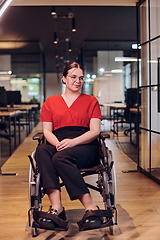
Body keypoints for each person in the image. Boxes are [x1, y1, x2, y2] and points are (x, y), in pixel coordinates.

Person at [35, 62, 103, 231]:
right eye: (73, 77)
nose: (77, 81)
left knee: (60, 157)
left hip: (85, 144)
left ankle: (91, 207)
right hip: (60, 142)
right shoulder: (50, 102)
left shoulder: (91, 101)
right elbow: (47, 131)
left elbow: (95, 131)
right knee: (42, 150)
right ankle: (56, 207)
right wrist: (58, 144)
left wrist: (73, 142)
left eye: (81, 78)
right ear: (64, 79)